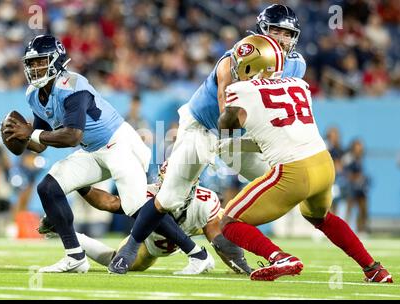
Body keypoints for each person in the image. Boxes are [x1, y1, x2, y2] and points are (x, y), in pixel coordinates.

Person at [109, 4, 307, 274]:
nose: (283, 39)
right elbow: (226, 114)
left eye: (288, 33)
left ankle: (250, 256)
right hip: (204, 127)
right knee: (169, 196)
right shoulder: (236, 57)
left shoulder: (295, 65)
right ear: (263, 30)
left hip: (240, 132)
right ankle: (132, 246)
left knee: (283, 181)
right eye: (277, 31)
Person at [218, 35, 392, 283]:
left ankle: (280, 258)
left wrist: (226, 94)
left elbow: (226, 126)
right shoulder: (298, 84)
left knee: (229, 221)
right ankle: (374, 269)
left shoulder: (240, 90)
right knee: (320, 217)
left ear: (251, 65)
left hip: (292, 171)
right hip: (323, 164)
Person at [3, 34, 152, 273]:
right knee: (49, 188)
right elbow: (41, 142)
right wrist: (19, 138)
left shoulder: (72, 85)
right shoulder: (34, 94)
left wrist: (29, 133)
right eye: (30, 63)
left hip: (118, 144)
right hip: (92, 150)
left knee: (136, 207)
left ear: (56, 61)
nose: (34, 67)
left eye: (40, 61)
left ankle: (195, 253)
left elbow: (72, 136)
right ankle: (75, 257)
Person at [39, 164, 252, 275]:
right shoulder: (149, 195)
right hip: (152, 244)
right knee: (116, 260)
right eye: (166, 182)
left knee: (227, 222)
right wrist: (82, 186)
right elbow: (110, 202)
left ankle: (251, 258)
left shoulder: (204, 201)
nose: (170, 187)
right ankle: (65, 232)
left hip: (192, 226)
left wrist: (239, 267)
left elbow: (216, 237)